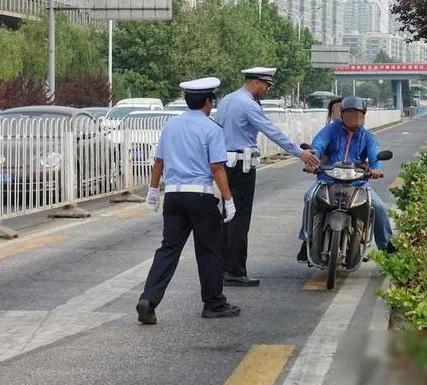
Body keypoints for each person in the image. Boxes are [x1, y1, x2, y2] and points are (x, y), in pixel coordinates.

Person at [136, 77, 240, 323]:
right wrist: (228, 199)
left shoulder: (171, 126)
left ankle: (148, 300)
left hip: (173, 196)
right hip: (200, 196)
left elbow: (158, 162)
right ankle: (213, 303)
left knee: (168, 250)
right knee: (209, 250)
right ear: (208, 102)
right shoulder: (212, 129)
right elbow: (217, 168)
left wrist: (152, 190)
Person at [215, 67, 320, 286]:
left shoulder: (227, 100)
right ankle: (235, 271)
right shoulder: (248, 105)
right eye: (266, 86)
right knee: (239, 219)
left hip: (225, 164)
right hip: (242, 166)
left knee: (227, 215)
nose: (267, 91)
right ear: (256, 83)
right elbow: (272, 131)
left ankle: (223, 268)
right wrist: (300, 153)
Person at [297, 96, 396, 263]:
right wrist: (312, 162)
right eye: (350, 113)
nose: (354, 117)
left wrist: (376, 168)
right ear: (342, 114)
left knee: (378, 207)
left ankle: (387, 247)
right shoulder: (330, 130)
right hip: (327, 180)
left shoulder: (367, 136)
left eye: (358, 114)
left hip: (358, 183)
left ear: (364, 116)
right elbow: (318, 145)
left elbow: (374, 153)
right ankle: (307, 239)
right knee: (309, 198)